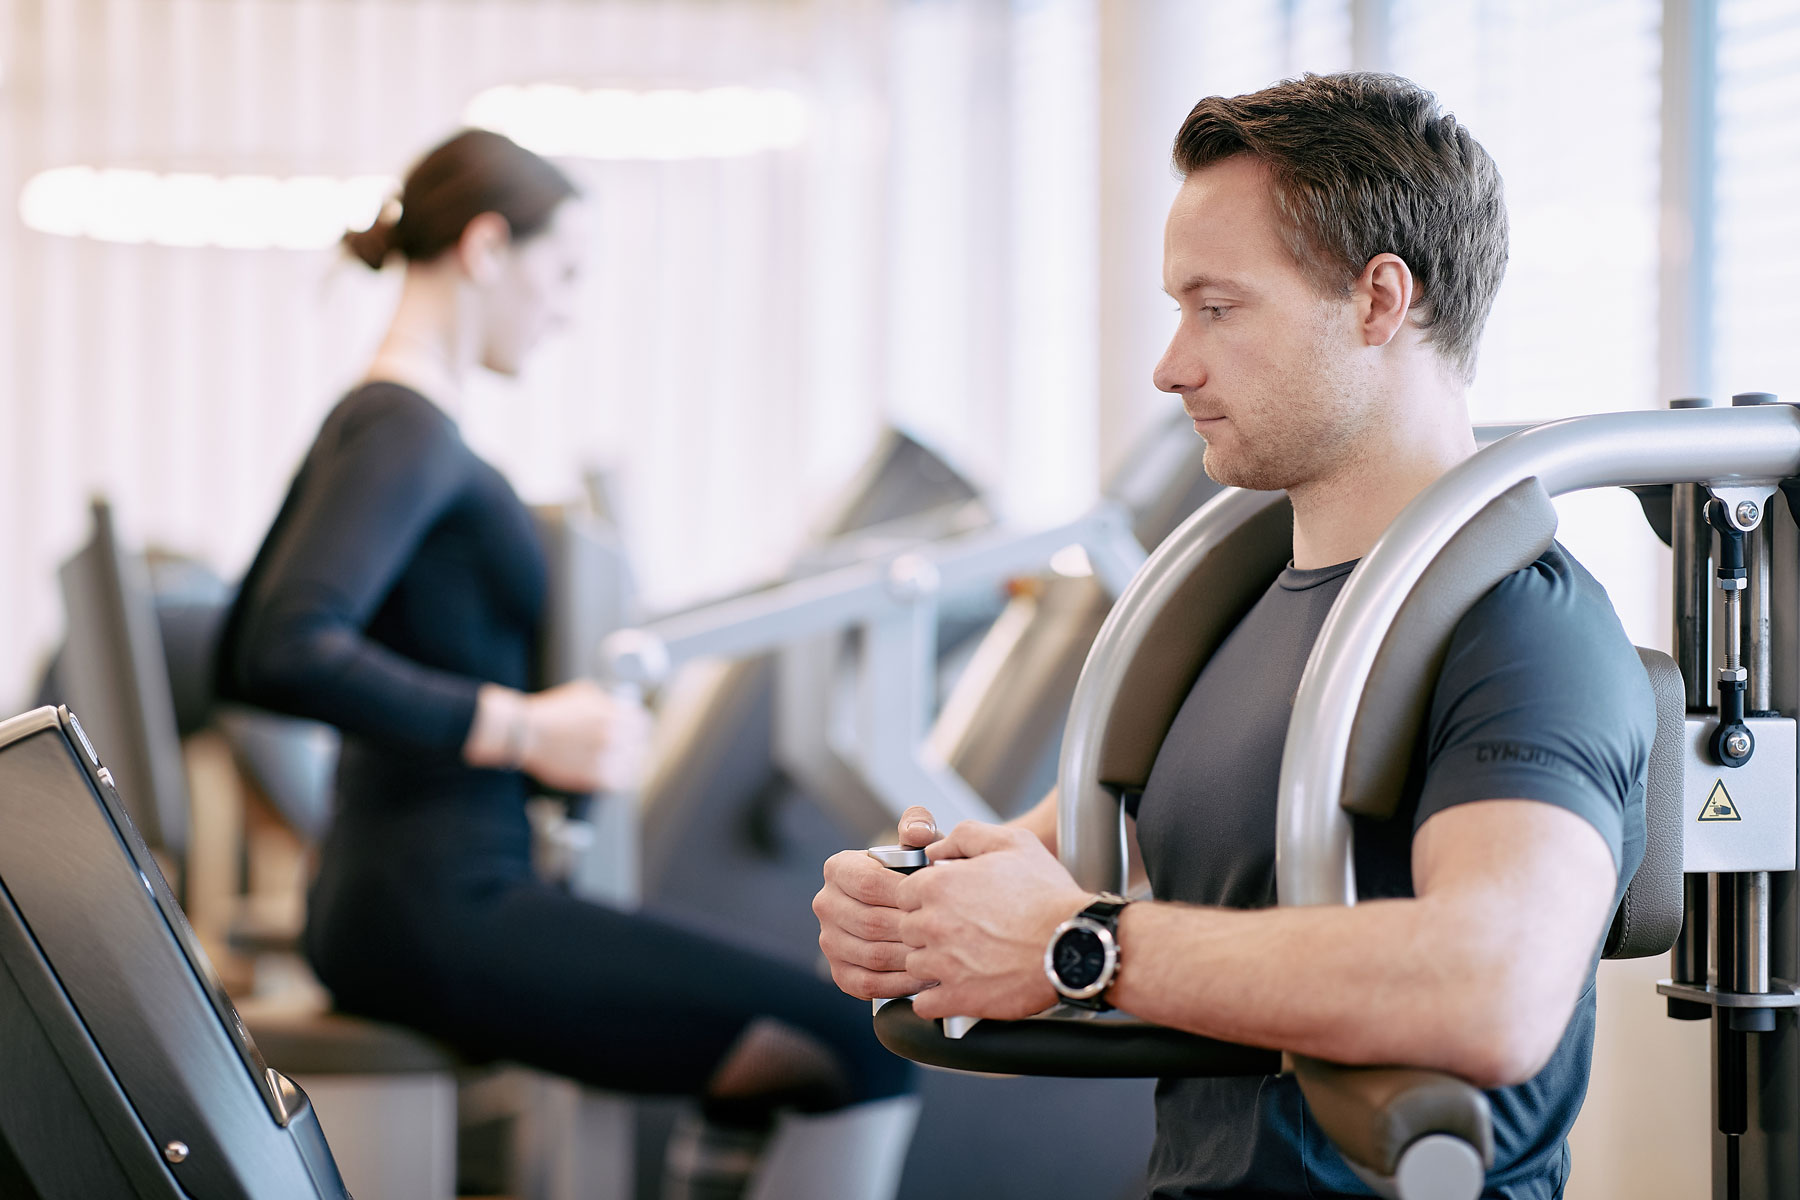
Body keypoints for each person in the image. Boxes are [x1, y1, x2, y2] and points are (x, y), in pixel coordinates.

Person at [814, 72, 1655, 1200]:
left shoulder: (1524, 630)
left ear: (1377, 301)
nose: (1172, 366)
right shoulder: (1234, 607)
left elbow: (1494, 985)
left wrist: (1080, 948)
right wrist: (917, 908)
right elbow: (1053, 866)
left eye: (1217, 307)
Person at [219, 128, 913, 1200]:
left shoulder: (388, 426)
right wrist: (527, 728)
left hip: (416, 889)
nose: (568, 306)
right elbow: (280, 651)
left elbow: (246, 641)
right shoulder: (402, 429)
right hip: (435, 901)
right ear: (488, 247)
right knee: (857, 1046)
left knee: (811, 1047)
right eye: (564, 271)